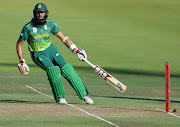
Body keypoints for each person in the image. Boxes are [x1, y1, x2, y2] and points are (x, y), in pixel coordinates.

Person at [16, 3, 93, 105]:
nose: (40, 15)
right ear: (34, 14)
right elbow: (19, 43)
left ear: (46, 13)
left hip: (51, 49)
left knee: (67, 69)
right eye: (38, 13)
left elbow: (63, 38)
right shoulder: (28, 27)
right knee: (54, 71)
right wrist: (22, 61)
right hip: (38, 54)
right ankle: (60, 98)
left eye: (42, 13)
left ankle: (85, 95)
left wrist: (76, 50)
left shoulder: (50, 23)